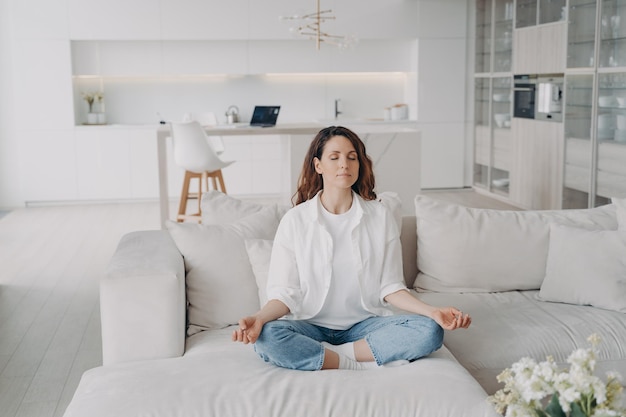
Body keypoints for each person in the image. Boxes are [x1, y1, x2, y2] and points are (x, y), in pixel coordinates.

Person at [232, 126, 471, 370]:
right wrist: (259, 319)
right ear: (318, 166)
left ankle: (329, 357)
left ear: (359, 164)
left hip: (365, 326)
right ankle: (359, 360)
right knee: (268, 337)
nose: (344, 164)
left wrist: (432, 312)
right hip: (310, 326)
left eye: (351, 157)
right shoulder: (295, 220)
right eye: (334, 157)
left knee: (429, 330)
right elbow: (284, 293)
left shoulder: (380, 216)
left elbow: (391, 287)